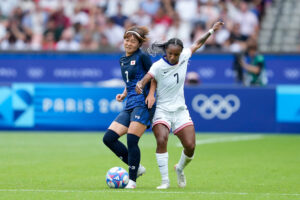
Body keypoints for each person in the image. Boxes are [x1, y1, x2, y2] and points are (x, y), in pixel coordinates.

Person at [135, 21, 224, 189]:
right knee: (162, 140)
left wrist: (211, 30)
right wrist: (140, 85)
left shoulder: (185, 56)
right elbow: (148, 78)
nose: (173, 57)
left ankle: (180, 168)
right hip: (162, 109)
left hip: (180, 110)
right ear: (166, 52)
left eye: (176, 54)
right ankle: (165, 181)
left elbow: (198, 43)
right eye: (170, 54)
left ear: (181, 53)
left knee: (190, 147)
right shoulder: (158, 66)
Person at [102, 26, 156, 189]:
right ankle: (137, 167)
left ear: (139, 44)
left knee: (132, 139)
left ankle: (132, 180)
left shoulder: (143, 57)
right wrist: (124, 94)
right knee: (108, 138)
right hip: (130, 103)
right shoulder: (122, 60)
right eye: (127, 40)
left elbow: (153, 76)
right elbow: (130, 81)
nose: (129, 43)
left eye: (133, 41)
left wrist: (151, 94)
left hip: (143, 103)